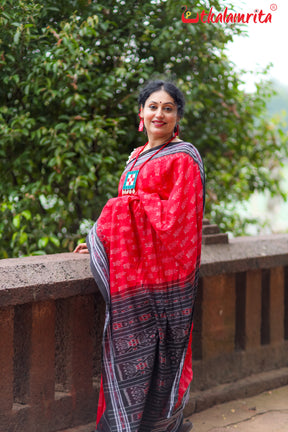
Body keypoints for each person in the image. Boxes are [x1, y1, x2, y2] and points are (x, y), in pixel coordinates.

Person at [74, 80, 205, 432]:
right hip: (134, 276)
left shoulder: (184, 158)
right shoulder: (135, 157)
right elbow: (128, 213)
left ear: (177, 116)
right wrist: (108, 239)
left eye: (167, 108)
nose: (159, 113)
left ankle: (164, 425)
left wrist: (124, 211)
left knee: (161, 357)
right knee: (130, 354)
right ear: (141, 113)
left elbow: (179, 219)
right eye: (153, 106)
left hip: (165, 281)